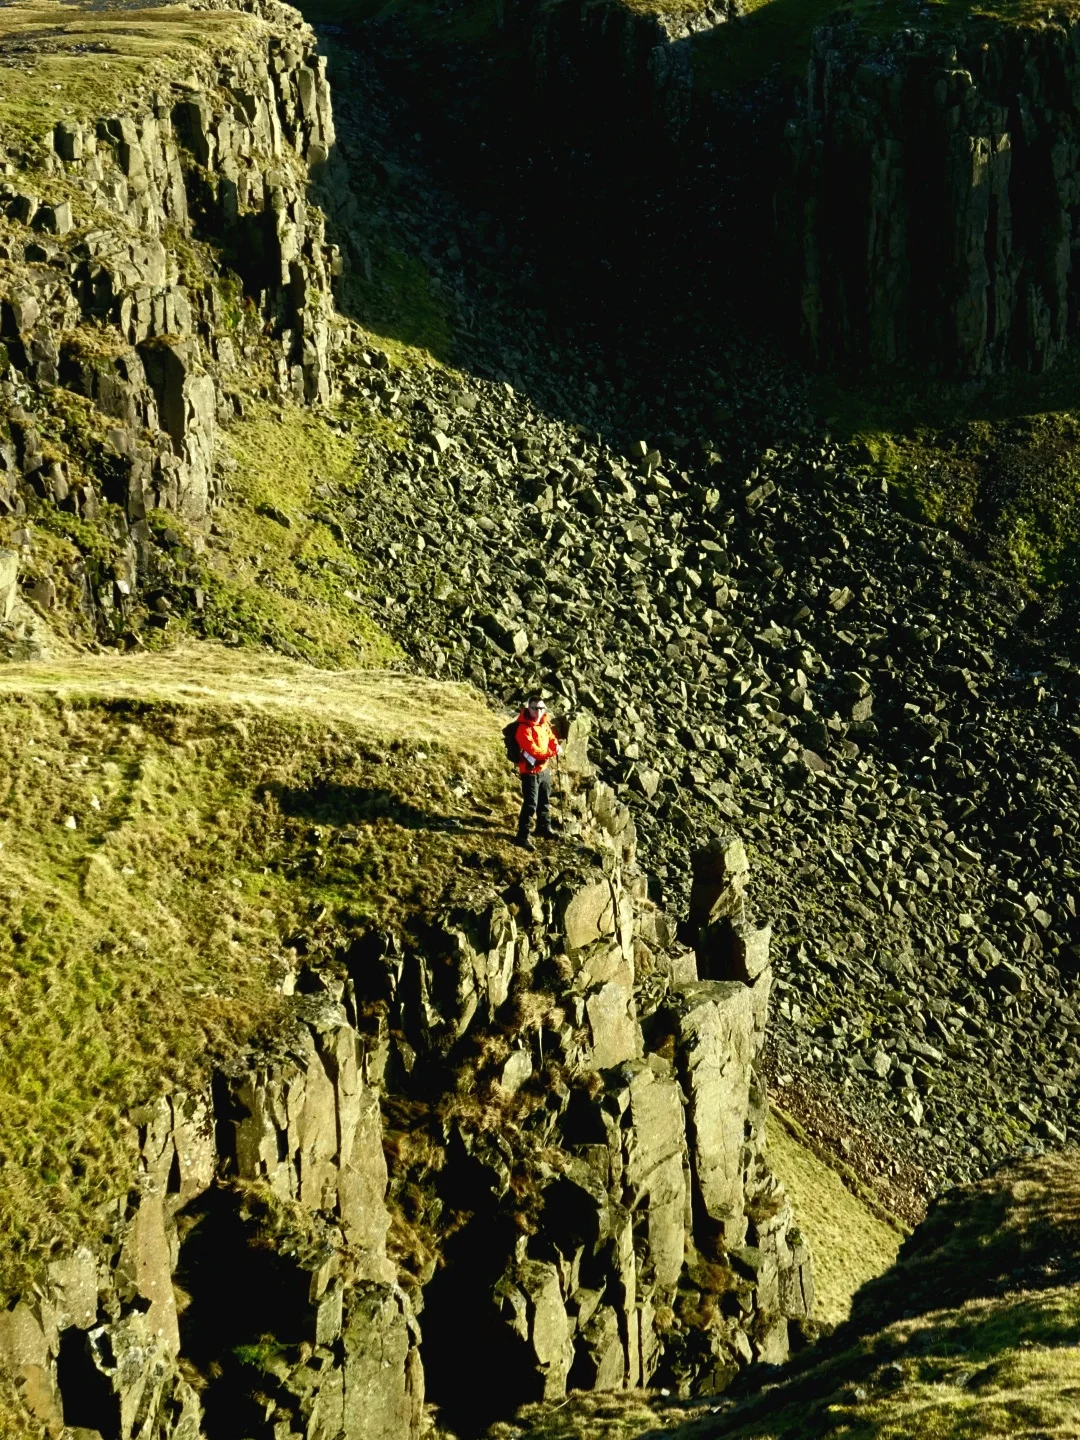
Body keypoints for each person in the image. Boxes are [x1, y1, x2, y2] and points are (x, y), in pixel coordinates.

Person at [514, 694, 561, 851]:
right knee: (530, 804)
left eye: (541, 708)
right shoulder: (523, 728)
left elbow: (551, 737)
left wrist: (555, 746)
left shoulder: (543, 724)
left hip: (543, 769)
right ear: (529, 708)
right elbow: (533, 750)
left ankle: (543, 827)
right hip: (530, 771)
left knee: (544, 799)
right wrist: (551, 752)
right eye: (535, 708)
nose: (539, 712)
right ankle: (522, 836)